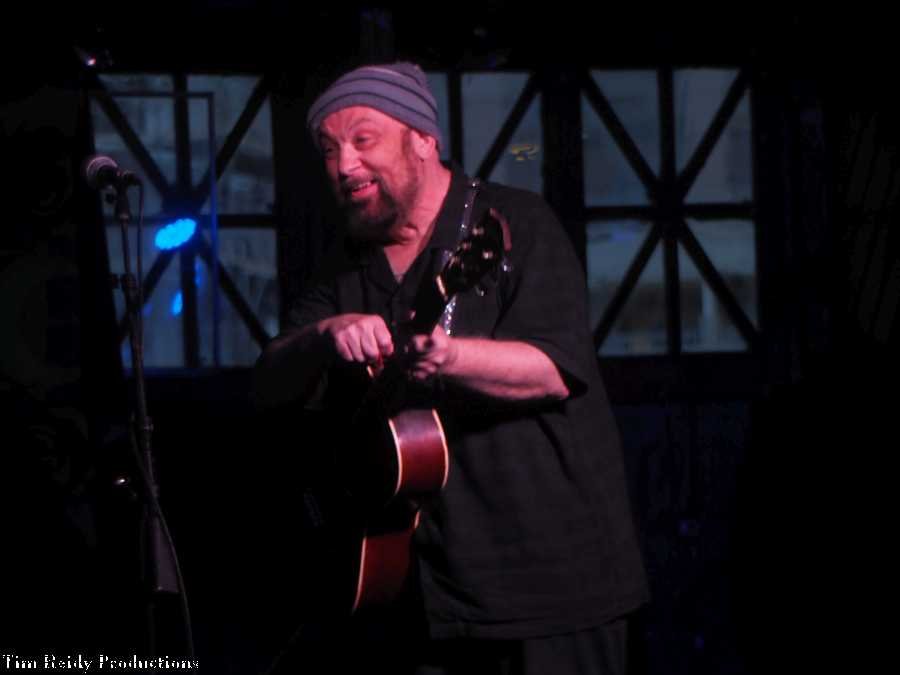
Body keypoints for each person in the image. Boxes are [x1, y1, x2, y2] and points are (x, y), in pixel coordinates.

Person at [253, 61, 649, 675]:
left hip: (551, 590)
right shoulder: (344, 266)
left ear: (423, 139)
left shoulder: (513, 225)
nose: (344, 165)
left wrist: (449, 356)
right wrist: (324, 336)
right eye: (329, 150)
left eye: (363, 140)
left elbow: (555, 368)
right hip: (419, 598)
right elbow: (269, 380)